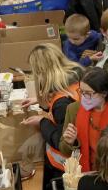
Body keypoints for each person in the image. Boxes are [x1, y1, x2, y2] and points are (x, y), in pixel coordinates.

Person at [22, 44, 81, 174]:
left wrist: (42, 122)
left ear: (41, 72)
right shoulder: (75, 79)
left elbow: (61, 141)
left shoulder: (61, 105)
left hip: (65, 168)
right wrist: (42, 100)